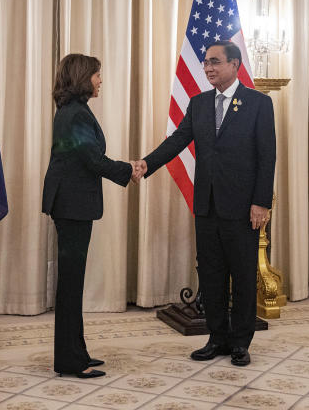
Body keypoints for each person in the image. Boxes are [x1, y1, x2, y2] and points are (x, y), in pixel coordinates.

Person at [135, 40, 275, 367]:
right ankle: (216, 337)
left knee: (241, 276)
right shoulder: (198, 103)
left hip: (243, 209)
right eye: (206, 63)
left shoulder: (257, 103)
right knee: (211, 275)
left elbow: (267, 157)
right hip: (207, 207)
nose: (208, 68)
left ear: (235, 64)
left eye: (215, 61)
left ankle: (240, 342)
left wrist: (261, 203)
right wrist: (146, 163)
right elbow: (178, 141)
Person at [42, 53, 144, 378]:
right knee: (71, 284)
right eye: (97, 75)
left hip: (71, 203)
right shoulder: (75, 115)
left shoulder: (74, 111)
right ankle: (71, 361)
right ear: (83, 77)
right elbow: (92, 160)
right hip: (71, 206)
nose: (100, 81)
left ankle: (77, 351)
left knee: (73, 282)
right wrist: (128, 170)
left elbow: (89, 158)